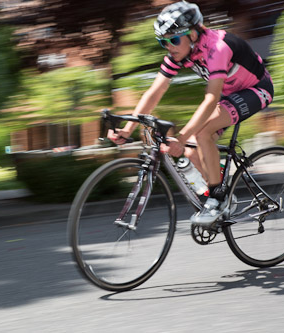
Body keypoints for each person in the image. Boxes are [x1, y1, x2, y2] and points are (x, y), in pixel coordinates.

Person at [108, 0, 274, 224]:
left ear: (193, 34)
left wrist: (182, 136)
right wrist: (128, 130)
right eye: (163, 42)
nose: (169, 46)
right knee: (190, 149)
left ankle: (216, 199)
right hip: (229, 94)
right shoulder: (181, 54)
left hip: (256, 89)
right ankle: (222, 193)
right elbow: (154, 93)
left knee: (201, 133)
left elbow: (210, 98)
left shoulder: (218, 48)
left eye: (174, 39)